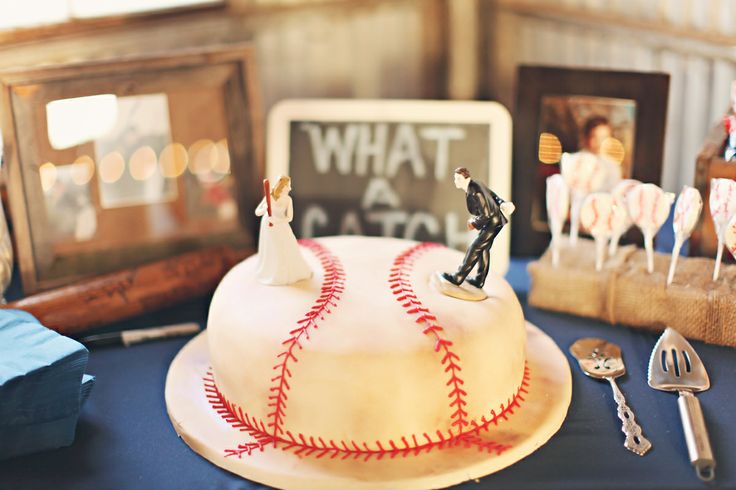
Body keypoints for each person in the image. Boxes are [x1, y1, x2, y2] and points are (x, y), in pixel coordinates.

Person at [442, 167, 514, 289]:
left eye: (458, 179)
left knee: (474, 248)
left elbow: (487, 215)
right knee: (483, 250)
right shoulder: (476, 184)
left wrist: (474, 222)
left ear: (467, 178)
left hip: (492, 223)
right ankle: (479, 280)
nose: (456, 181)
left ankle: (458, 277)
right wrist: (501, 203)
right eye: (455, 178)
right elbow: (492, 195)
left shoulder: (474, 192)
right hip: (493, 221)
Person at [254, 175, 312, 285]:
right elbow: (257, 212)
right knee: (273, 248)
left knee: (287, 246)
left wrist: (277, 221)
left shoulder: (288, 200)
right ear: (281, 186)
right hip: (268, 225)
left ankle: (288, 272)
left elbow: (289, 218)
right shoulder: (269, 197)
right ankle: (273, 272)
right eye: (287, 186)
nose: (289, 188)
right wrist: (265, 208)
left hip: (281, 225)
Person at [579, 115, 621, 190]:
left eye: (603, 137)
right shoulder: (574, 162)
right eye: (594, 137)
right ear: (586, 138)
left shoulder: (613, 167)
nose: (599, 142)